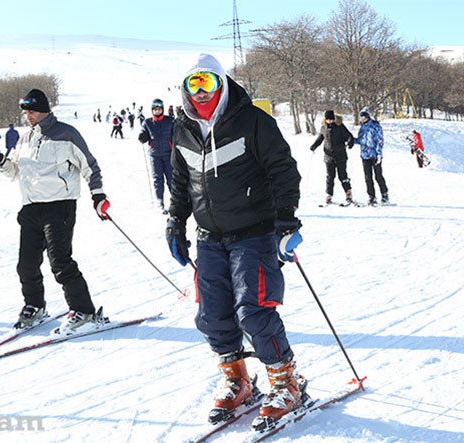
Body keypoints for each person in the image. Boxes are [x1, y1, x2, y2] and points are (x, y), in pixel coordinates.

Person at [166, 53, 306, 431]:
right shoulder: (183, 129)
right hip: (210, 237)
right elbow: (180, 182)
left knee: (254, 310)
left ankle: (286, 382)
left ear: (222, 83)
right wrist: (175, 223)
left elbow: (282, 169)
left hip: (255, 233)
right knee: (212, 316)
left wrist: (286, 221)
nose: (200, 92)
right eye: (193, 84)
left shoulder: (253, 121)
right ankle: (238, 380)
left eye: (207, 83)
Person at [0, 89, 110, 335]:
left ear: (43, 110)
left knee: (60, 262)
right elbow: (14, 172)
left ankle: (84, 311)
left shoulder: (66, 133)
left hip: (59, 206)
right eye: (25, 112)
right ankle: (35, 305)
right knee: (26, 265)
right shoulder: (24, 139)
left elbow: (90, 166)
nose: (27, 116)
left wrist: (98, 196)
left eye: (30, 112)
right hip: (31, 207)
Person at [309, 110, 355, 205]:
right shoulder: (323, 128)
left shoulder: (340, 126)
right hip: (328, 157)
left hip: (340, 156)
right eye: (328, 119)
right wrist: (314, 146)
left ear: (334, 119)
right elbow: (320, 139)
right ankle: (329, 195)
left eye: (331, 119)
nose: (330, 121)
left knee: (342, 176)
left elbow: (349, 136)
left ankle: (348, 192)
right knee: (330, 177)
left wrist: (350, 142)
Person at [138, 98, 175, 213]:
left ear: (162, 109)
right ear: (152, 110)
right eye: (155, 109)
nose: (157, 111)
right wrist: (142, 136)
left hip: (168, 154)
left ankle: (175, 200)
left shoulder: (170, 121)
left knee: (171, 178)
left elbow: (177, 133)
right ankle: (159, 200)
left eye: (159, 109)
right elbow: (143, 132)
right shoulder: (148, 122)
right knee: (157, 179)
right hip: (154, 155)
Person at [354, 107, 388, 206]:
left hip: (374, 155)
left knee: (378, 176)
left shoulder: (375, 126)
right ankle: (371, 197)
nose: (362, 120)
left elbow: (380, 141)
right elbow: (360, 140)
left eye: (363, 117)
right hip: (365, 155)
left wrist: (379, 154)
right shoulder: (362, 127)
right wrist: (351, 140)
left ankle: (384, 194)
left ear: (367, 117)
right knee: (368, 177)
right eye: (361, 118)